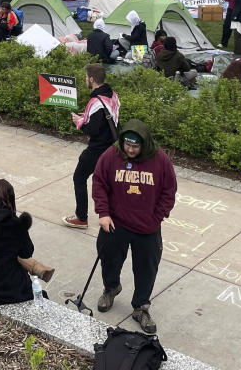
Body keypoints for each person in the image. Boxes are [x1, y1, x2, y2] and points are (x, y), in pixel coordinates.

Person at [92, 119, 177, 334]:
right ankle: (111, 288)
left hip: (147, 227)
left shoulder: (160, 160)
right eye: (127, 145)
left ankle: (141, 307)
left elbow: (169, 190)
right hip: (115, 223)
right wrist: (103, 213)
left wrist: (157, 217)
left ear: (144, 144)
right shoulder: (112, 155)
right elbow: (99, 182)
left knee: (146, 269)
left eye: (135, 146)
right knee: (108, 258)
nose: (130, 149)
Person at [63, 64, 120, 229]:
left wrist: (79, 122)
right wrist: (87, 116)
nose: (85, 80)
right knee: (108, 183)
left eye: (86, 77)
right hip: (112, 147)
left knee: (79, 178)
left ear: (92, 79)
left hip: (97, 149)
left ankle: (81, 218)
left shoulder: (96, 101)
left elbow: (93, 131)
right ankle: (116, 215)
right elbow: (108, 119)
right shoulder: (112, 95)